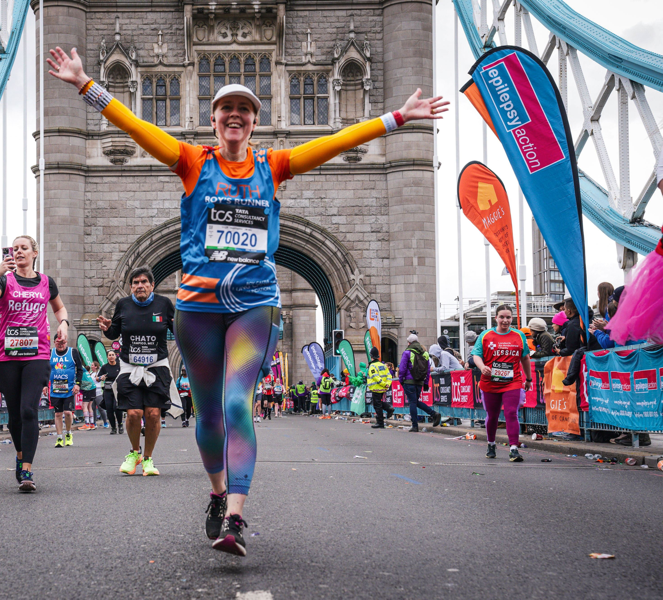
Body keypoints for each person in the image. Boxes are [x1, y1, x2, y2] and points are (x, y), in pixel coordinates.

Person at [48, 44, 447, 556]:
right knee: (209, 412)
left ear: (254, 121)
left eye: (244, 109)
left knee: (238, 402)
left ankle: (235, 514)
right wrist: (86, 83)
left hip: (254, 303)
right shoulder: (193, 161)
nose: (234, 116)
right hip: (196, 309)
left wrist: (395, 118)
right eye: (225, 110)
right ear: (213, 121)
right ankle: (217, 494)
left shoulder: (275, 165)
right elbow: (134, 127)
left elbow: (337, 140)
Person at [0, 234, 69, 492]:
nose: (18, 252)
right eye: (15, 248)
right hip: (7, 358)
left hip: (37, 355)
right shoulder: (5, 280)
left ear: (34, 253)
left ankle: (27, 468)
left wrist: (63, 323)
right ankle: (19, 454)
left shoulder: (46, 282)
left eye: (24, 248)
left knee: (29, 410)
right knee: (15, 415)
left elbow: (59, 309)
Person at [97, 266, 174, 478]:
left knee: (153, 413)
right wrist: (107, 328)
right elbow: (115, 333)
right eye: (135, 283)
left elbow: (177, 330)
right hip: (129, 366)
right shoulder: (123, 304)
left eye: (143, 282)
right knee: (133, 413)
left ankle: (148, 458)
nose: (139, 286)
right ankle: (134, 453)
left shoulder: (164, 304)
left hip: (156, 366)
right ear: (131, 286)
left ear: (152, 285)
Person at [471, 304, 532, 462]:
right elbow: (476, 355)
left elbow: (525, 357)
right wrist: (482, 367)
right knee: (493, 415)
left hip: (512, 381)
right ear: (496, 318)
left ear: (512, 318)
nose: (505, 320)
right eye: (502, 317)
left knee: (511, 413)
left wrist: (529, 378)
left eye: (508, 317)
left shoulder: (519, 335)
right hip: (490, 381)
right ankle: (491, 444)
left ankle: (513, 448)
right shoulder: (486, 335)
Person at [44, 331, 83, 447]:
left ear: (66, 341)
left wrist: (77, 384)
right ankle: (59, 438)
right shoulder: (50, 353)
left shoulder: (73, 352)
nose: (60, 344)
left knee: (67, 412)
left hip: (69, 388)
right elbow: (45, 371)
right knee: (58, 414)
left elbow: (80, 369)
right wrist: (45, 384)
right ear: (54, 342)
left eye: (62, 342)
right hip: (55, 389)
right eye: (58, 342)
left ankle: (68, 433)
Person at [397, 333, 441, 432]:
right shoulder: (425, 353)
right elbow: (427, 370)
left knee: (412, 402)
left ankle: (415, 425)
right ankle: (434, 414)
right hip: (420, 382)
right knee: (415, 402)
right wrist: (425, 382)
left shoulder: (407, 353)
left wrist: (401, 380)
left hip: (409, 381)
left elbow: (402, 368)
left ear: (409, 342)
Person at [367, 348, 394, 428]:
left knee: (377, 405)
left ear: (371, 356)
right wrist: (387, 384)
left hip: (376, 388)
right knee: (378, 403)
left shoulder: (372, 366)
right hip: (383, 388)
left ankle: (380, 422)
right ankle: (388, 409)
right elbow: (389, 376)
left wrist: (382, 384)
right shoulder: (383, 365)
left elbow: (375, 377)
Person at [99, 350, 123, 434]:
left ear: (115, 356)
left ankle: (120, 424)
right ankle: (113, 427)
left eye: (113, 355)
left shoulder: (120, 366)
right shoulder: (105, 367)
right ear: (107, 357)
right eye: (110, 355)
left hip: (117, 390)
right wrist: (101, 378)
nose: (111, 356)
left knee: (116, 408)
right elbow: (98, 378)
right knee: (109, 409)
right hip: (108, 390)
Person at [78, 362, 99, 430]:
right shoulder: (82, 368)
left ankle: (87, 424)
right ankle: (92, 424)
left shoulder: (78, 368)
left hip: (88, 388)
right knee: (89, 406)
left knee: (84, 406)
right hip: (92, 387)